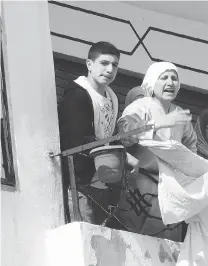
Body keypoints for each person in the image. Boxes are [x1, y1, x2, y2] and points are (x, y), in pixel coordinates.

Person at [117, 61, 197, 241]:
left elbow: (191, 145)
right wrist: (159, 123)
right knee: (134, 241)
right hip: (142, 181)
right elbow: (125, 133)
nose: (170, 83)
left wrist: (187, 173)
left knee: (167, 245)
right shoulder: (141, 106)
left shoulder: (180, 114)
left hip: (171, 185)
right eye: (164, 78)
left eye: (174, 78)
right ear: (153, 81)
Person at [58, 41, 123, 225]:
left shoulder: (113, 97)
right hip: (80, 181)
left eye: (115, 65)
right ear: (89, 64)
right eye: (104, 63)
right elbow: (76, 140)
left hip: (103, 181)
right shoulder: (77, 94)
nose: (110, 69)